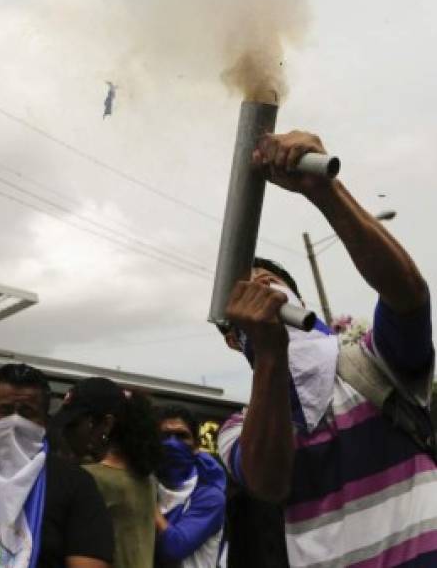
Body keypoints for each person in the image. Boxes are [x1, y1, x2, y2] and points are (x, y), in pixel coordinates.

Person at [217, 130, 435, 567]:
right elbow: (270, 481)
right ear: (231, 336)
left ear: (298, 301)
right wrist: (270, 357)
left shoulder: (373, 363)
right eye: (244, 297)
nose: (259, 292)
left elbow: (408, 296)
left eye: (268, 283)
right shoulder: (237, 430)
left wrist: (327, 193)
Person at [0, 363, 113, 568]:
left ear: (45, 422)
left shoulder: (76, 486)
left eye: (26, 413)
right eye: (5, 410)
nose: (14, 421)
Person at [53, 377, 161, 568]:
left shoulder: (88, 479)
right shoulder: (145, 478)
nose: (66, 433)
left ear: (106, 424)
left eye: (73, 425)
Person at [155, 405, 226, 568]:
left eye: (181, 436)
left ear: (196, 445)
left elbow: (174, 547)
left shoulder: (210, 495)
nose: (172, 443)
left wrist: (146, 503)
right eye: (165, 436)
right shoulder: (147, 482)